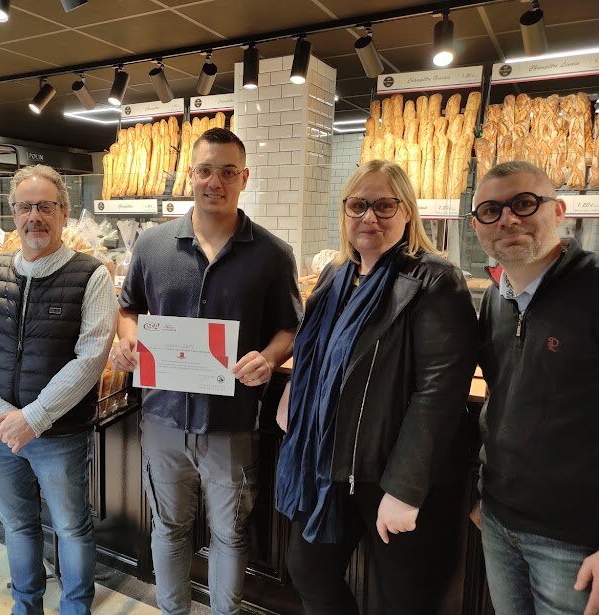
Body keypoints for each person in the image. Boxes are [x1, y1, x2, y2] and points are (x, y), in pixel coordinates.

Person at [275, 160, 478, 614]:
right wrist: (294, 396)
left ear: (407, 213)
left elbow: (438, 394)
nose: (370, 217)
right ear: (344, 212)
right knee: (309, 572)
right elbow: (317, 353)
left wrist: (404, 488)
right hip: (329, 464)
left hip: (388, 470)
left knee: (402, 598)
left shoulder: (434, 280)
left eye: (384, 205)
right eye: (359, 205)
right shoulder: (334, 276)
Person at [113, 127, 302, 615]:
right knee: (169, 527)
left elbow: (289, 327)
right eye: (203, 171)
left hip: (232, 421)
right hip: (163, 417)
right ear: (189, 177)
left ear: (243, 178)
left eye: (226, 172)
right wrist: (128, 337)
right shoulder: (152, 246)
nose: (213, 181)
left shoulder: (272, 255)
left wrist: (271, 357)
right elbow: (129, 307)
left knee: (229, 533)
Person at [0, 164, 116, 615]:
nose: (35, 217)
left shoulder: (92, 275)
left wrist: (34, 418)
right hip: (0, 432)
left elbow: (90, 358)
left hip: (59, 436)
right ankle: (25, 606)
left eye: (46, 206)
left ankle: (75, 608)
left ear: (64, 213)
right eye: (25, 207)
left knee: (71, 527)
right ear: (12, 214)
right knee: (18, 524)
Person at [469, 160, 599, 615]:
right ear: (477, 227)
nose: (508, 219)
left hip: (575, 542)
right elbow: (501, 405)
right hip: (500, 521)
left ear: (559, 210)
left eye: (525, 203)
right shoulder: (496, 299)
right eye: (491, 210)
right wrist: (481, 491)